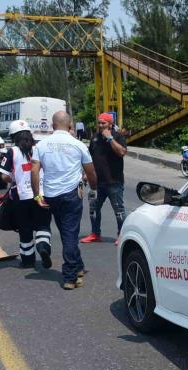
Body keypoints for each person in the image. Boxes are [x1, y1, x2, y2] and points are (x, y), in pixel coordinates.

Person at [31, 111, 98, 290]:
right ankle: (70, 276)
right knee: (69, 234)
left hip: (50, 195)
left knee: (67, 233)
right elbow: (90, 172)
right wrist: (94, 188)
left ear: (53, 126)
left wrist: (37, 195)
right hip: (71, 195)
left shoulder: (41, 145)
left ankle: (79, 266)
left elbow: (34, 171)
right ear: (70, 127)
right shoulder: (78, 145)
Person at [0, 120, 53, 268]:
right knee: (43, 225)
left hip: (20, 197)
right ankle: (43, 246)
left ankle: (28, 261)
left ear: (13, 137)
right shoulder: (40, 148)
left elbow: (4, 176)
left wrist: (13, 178)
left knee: (25, 228)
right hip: (41, 194)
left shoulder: (12, 151)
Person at [80, 113, 128, 246]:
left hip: (114, 181)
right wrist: (85, 173)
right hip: (97, 183)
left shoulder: (118, 136)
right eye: (99, 123)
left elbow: (122, 152)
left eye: (104, 123)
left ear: (110, 124)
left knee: (119, 210)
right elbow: (89, 158)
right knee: (93, 208)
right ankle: (95, 234)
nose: (101, 125)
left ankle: (122, 235)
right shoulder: (95, 138)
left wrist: (110, 138)